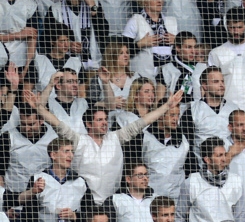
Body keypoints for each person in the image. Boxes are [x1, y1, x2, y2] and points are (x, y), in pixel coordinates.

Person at [26, 76, 183, 204]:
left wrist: (167, 106)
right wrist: (39, 108)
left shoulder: (116, 138)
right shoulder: (78, 140)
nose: (104, 123)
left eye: (106, 119)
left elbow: (142, 122)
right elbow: (57, 124)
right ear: (88, 124)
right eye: (99, 120)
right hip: (83, 202)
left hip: (111, 202)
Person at [179, 136, 245, 222]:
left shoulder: (236, 181)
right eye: (219, 155)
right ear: (207, 159)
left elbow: (240, 217)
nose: (223, 159)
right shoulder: (192, 182)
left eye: (225, 154)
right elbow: (179, 216)